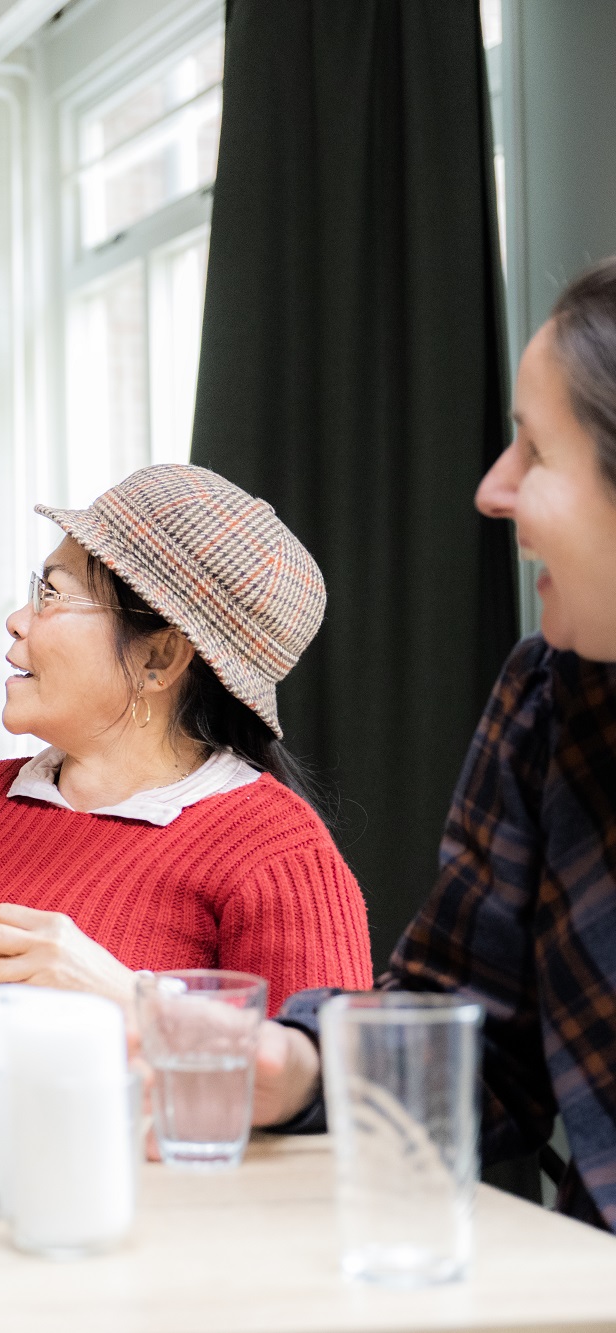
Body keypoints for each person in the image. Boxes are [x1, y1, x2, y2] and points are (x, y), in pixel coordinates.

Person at [253, 258, 616, 1233]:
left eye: (535, 451)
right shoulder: (543, 704)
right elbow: (472, 1044)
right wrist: (291, 1065)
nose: (491, 491)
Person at [0, 464, 374, 1075]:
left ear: (159, 657)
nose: (18, 620)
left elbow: (332, 1099)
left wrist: (125, 998)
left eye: (51, 593)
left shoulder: (277, 853)